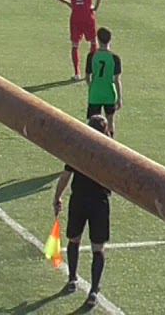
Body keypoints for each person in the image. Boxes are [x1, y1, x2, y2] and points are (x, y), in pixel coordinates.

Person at [54, 115, 113, 307]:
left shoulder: (78, 148)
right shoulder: (109, 152)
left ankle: (72, 278)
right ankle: (94, 290)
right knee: (98, 247)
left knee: (74, 239)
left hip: (79, 199)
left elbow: (65, 175)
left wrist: (57, 197)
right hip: (99, 203)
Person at [54, 0, 104, 80]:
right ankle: (92, 70)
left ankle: (77, 73)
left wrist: (68, 3)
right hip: (88, 15)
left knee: (75, 44)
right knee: (93, 42)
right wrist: (95, 8)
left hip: (75, 16)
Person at [85, 27, 122, 137]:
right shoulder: (115, 58)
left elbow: (87, 77)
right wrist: (119, 98)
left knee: (93, 122)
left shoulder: (92, 56)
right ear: (110, 40)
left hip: (95, 93)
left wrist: (92, 86)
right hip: (110, 93)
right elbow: (117, 80)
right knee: (110, 121)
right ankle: (111, 142)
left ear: (98, 39)